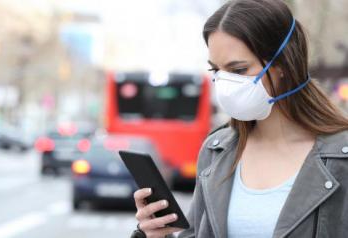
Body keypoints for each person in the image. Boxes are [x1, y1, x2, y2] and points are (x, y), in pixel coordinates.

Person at [131, 0, 348, 237]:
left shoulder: (341, 156)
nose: (226, 84)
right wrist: (157, 235)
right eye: (217, 70)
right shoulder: (216, 151)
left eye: (238, 70)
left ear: (283, 64)